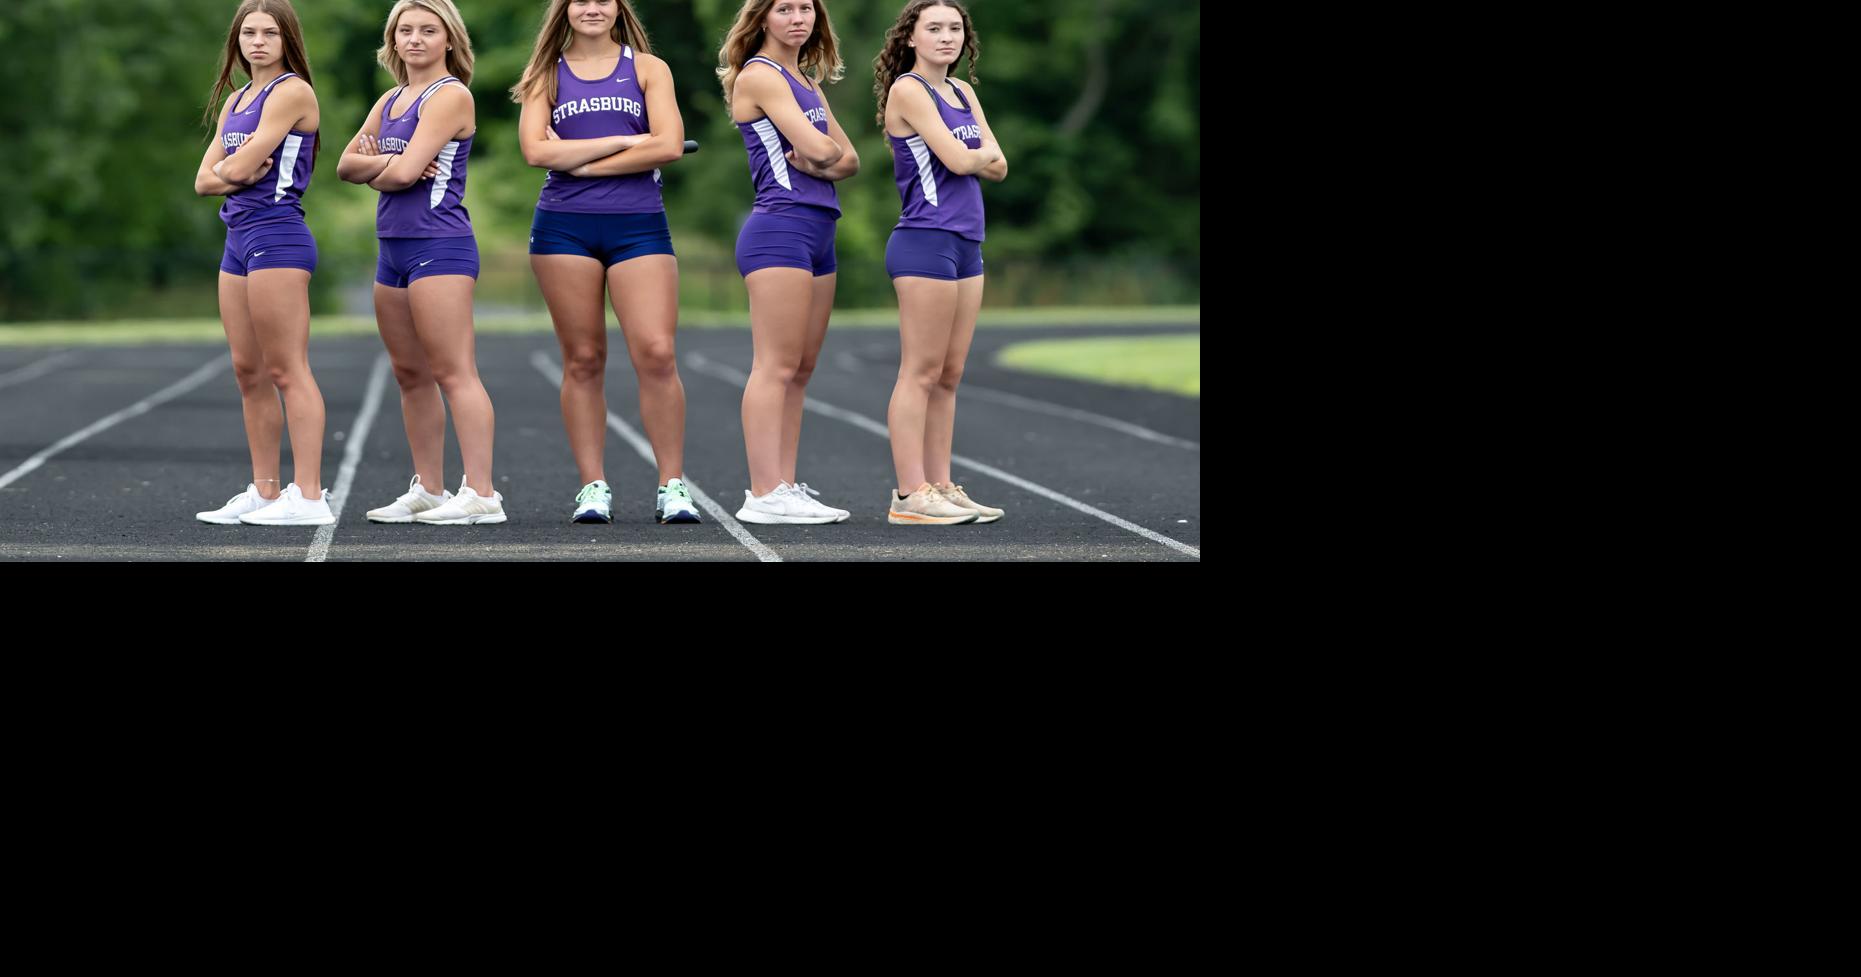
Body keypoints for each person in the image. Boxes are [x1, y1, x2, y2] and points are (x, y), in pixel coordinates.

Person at [512, 0, 698, 524]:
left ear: (618, 8)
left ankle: (672, 486)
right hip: (562, 229)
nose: (592, 8)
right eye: (581, 0)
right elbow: (534, 152)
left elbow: (667, 145)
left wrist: (585, 164)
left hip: (639, 226)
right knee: (584, 359)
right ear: (564, 9)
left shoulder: (646, 68)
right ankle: (593, 486)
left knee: (657, 352)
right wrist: (622, 140)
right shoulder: (544, 75)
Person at [339, 0, 505, 525]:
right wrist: (389, 164)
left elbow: (408, 174)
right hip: (392, 247)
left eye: (428, 30)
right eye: (405, 30)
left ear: (449, 39)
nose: (415, 39)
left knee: (454, 371)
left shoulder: (451, 95)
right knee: (410, 373)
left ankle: (481, 493)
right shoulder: (390, 99)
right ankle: (430, 489)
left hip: (440, 244)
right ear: (393, 40)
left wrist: (383, 165)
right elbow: (345, 165)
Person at [192, 0, 334, 527]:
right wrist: (236, 169)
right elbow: (203, 181)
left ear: (286, 39)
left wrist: (235, 168)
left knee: (286, 368)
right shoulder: (235, 102)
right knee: (247, 370)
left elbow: (245, 165)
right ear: (237, 40)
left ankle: (311, 496)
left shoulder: (293, 91)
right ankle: (266, 491)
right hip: (237, 237)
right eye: (248, 32)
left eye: (269, 33)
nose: (257, 42)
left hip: (278, 235)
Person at [717, 0, 858, 525]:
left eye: (806, 9)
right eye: (785, 9)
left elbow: (850, 159)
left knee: (801, 369)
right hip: (780, 228)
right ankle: (762, 492)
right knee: (774, 365)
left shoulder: (807, 82)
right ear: (762, 19)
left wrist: (826, 157)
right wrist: (825, 156)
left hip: (821, 228)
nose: (798, 18)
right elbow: (821, 151)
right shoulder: (761, 75)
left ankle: (785, 485)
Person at [874, 0, 1005, 525]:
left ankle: (941, 485)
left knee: (949, 373)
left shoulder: (963, 91)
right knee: (921, 370)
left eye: (954, 28)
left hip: (967, 243)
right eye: (934, 28)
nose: (946, 37)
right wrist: (977, 155)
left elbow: (1000, 165)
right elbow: (964, 159)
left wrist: (976, 156)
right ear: (911, 38)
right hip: (924, 241)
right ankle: (909, 495)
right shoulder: (909, 89)